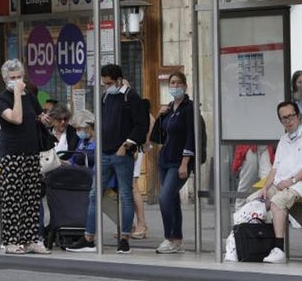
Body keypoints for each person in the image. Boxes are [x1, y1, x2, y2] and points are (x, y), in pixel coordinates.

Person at [67, 64, 148, 255]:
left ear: (119, 79)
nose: (106, 86)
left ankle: (125, 238)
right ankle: (88, 238)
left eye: (109, 83)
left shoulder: (131, 97)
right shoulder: (106, 97)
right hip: (105, 153)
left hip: (121, 154)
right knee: (95, 195)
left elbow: (141, 125)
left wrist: (126, 145)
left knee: (126, 196)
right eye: (103, 83)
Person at [245, 101, 302, 264]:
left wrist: (292, 180)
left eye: (291, 116)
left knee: (277, 202)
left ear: (299, 116)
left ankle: (279, 249)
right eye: (284, 118)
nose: (288, 121)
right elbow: (275, 169)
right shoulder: (284, 139)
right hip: (283, 183)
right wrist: (266, 187)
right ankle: (254, 244)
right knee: (253, 202)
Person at [0, 59, 52, 255]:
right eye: (13, 78)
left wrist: (42, 117)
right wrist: (18, 95)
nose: (17, 81)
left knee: (31, 197)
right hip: (12, 155)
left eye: (19, 77)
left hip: (31, 152)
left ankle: (31, 239)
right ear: (5, 80)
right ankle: (12, 241)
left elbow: (37, 114)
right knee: (12, 198)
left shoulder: (29, 96)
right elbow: (16, 118)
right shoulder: (1, 99)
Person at [153, 71, 204, 254]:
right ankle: (177, 240)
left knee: (164, 198)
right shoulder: (169, 108)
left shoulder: (189, 109)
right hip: (164, 160)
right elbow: (157, 136)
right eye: (172, 83)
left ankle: (169, 238)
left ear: (185, 85)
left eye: (178, 83)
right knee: (172, 200)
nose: (174, 86)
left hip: (179, 161)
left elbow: (191, 136)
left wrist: (185, 163)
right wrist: (159, 116)